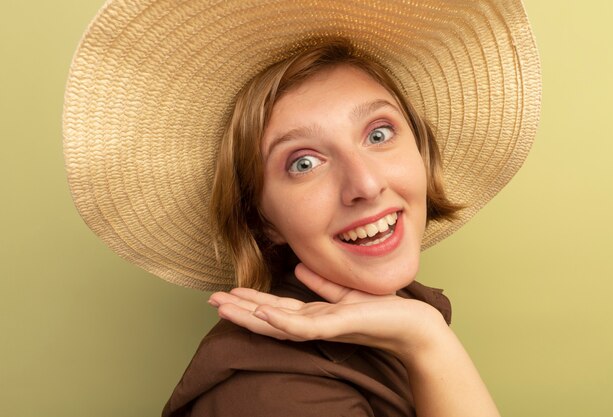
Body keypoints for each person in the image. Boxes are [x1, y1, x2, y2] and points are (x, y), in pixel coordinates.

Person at [63, 1, 541, 416]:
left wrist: (426, 340)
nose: (366, 184)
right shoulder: (271, 396)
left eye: (378, 134)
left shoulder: (402, 320)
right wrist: (431, 345)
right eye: (304, 162)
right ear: (262, 220)